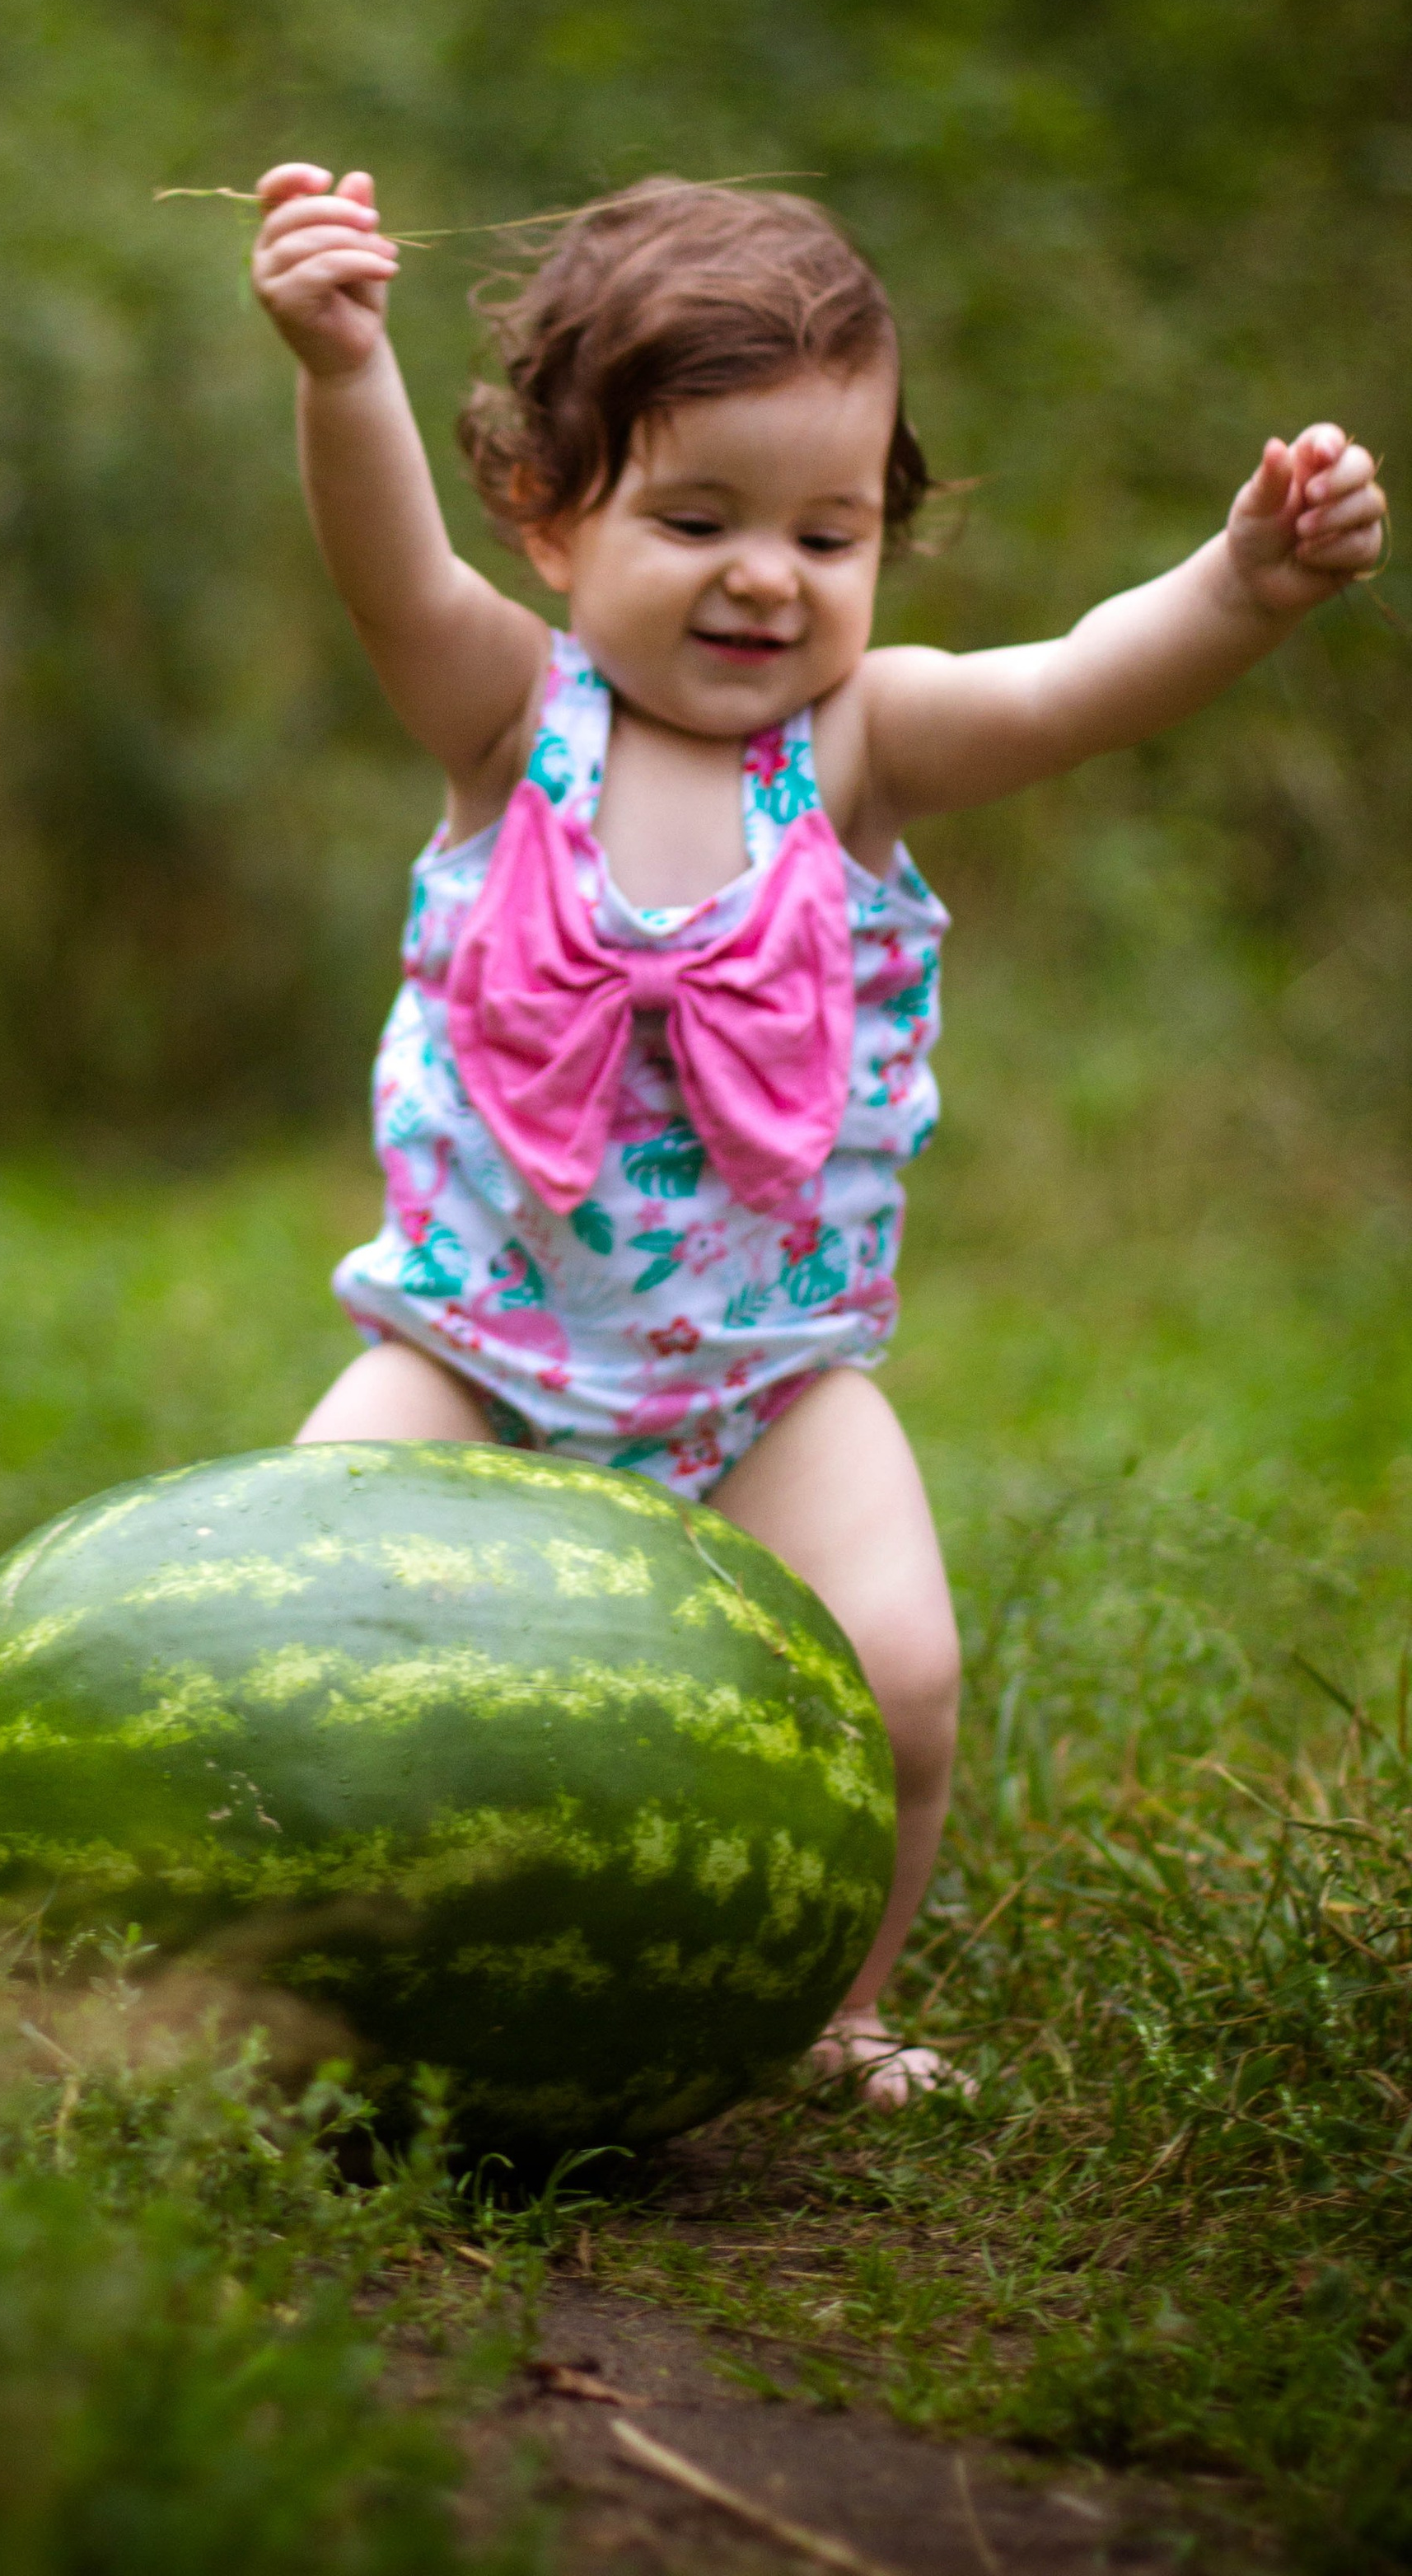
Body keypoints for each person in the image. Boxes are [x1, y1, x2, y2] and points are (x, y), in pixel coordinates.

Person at [249, 161, 1386, 2105]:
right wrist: (339, 364)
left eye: (826, 531)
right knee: (291, 1624)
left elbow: (1070, 690)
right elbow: (383, 565)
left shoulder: (856, 751)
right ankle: (283, 1974)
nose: (765, 575)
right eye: (693, 518)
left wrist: (1241, 589)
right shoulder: (503, 723)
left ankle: (826, 2011)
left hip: (763, 1383)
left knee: (899, 1676)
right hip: (470, 1356)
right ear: (546, 519)